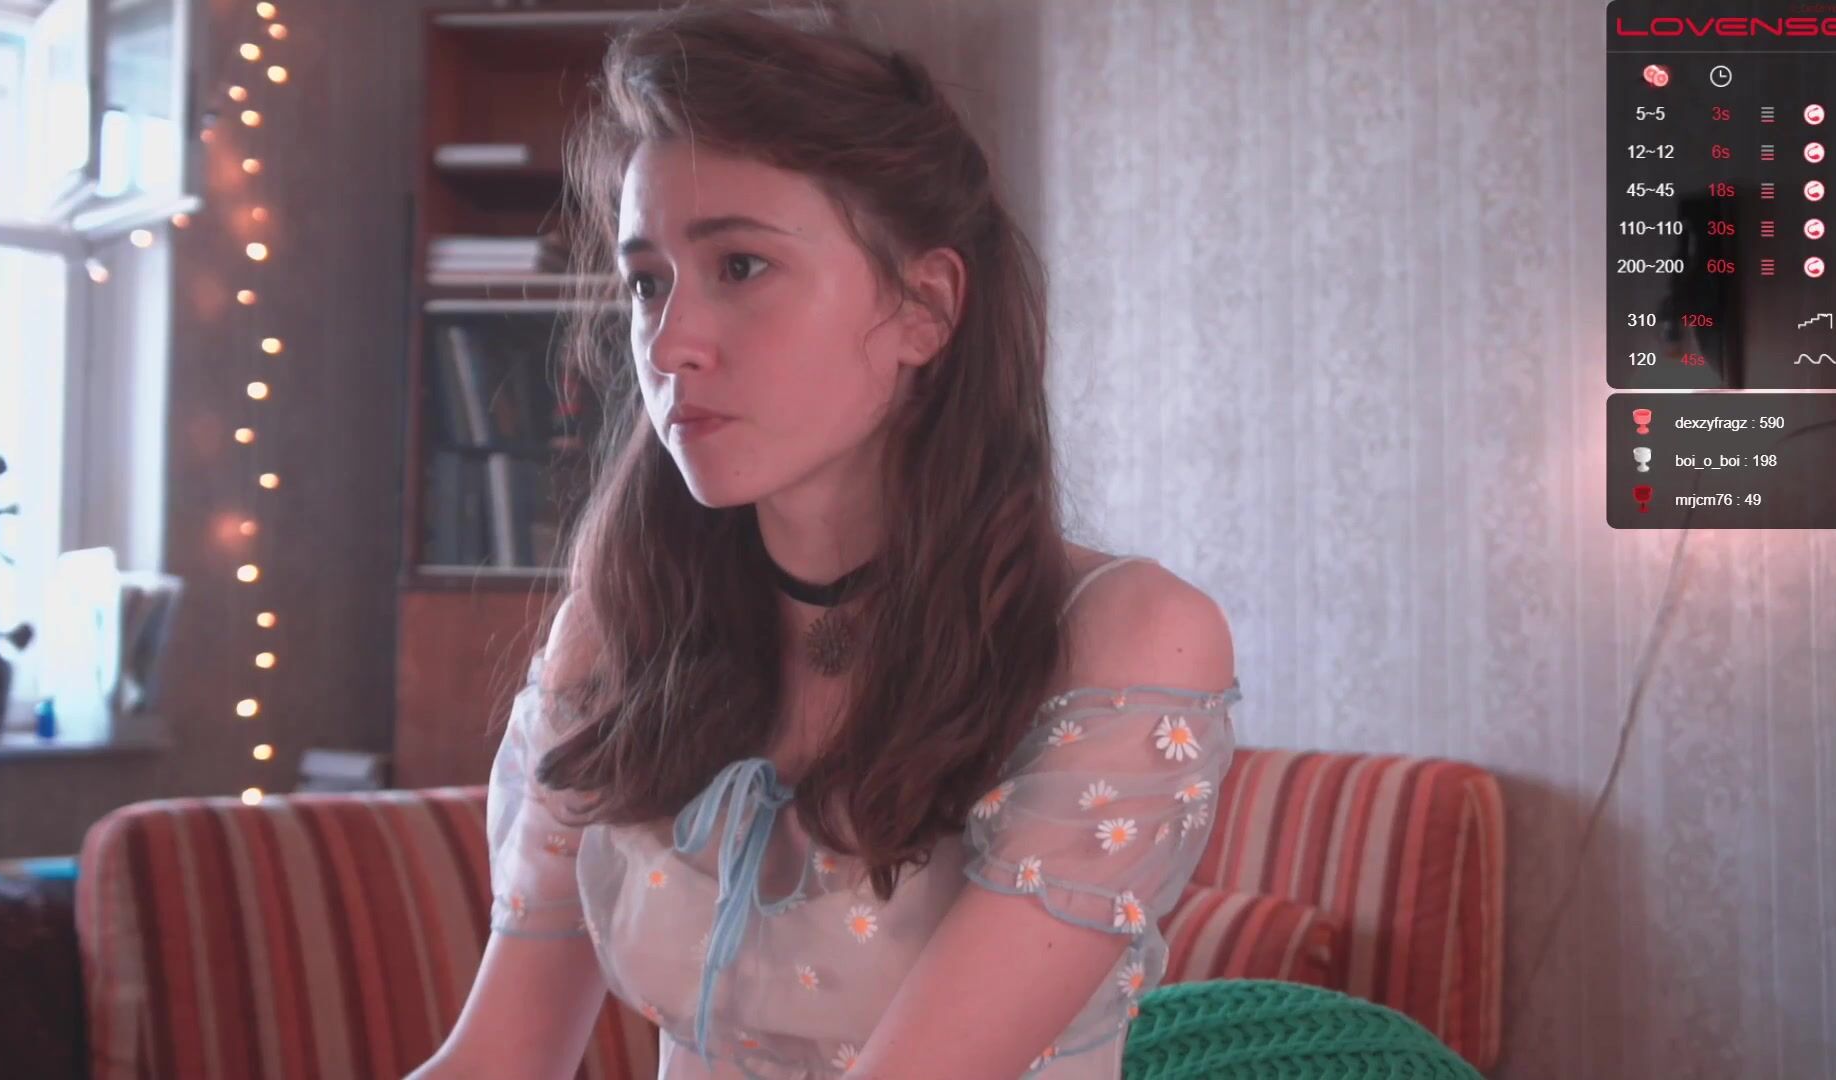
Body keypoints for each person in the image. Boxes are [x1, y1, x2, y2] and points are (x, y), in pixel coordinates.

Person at [411, 4, 1239, 1078]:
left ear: (923, 307)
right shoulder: (616, 631)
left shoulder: (1127, 638)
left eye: (741, 267)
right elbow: (495, 1060)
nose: (670, 343)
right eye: (648, 281)